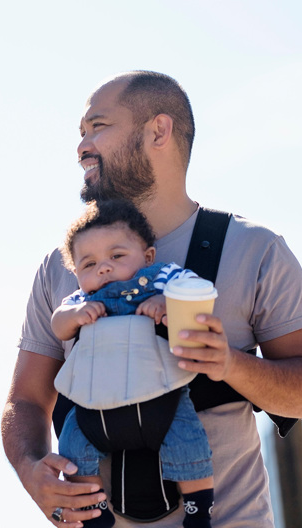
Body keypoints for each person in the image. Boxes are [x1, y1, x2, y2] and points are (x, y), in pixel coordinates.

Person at [1, 70, 302, 528]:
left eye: (98, 126)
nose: (82, 147)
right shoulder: (60, 267)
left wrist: (229, 364)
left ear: (158, 130)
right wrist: (30, 469)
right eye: (81, 133)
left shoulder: (255, 249)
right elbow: (26, 401)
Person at [52, 199, 214, 528]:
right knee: (72, 447)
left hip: (161, 398)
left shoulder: (159, 278)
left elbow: (197, 290)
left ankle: (198, 509)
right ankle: (92, 511)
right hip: (93, 408)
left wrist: (167, 302)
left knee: (188, 438)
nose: (104, 268)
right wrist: (74, 316)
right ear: (76, 274)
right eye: (89, 264)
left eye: (117, 256)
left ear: (148, 257)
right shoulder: (83, 299)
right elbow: (57, 324)